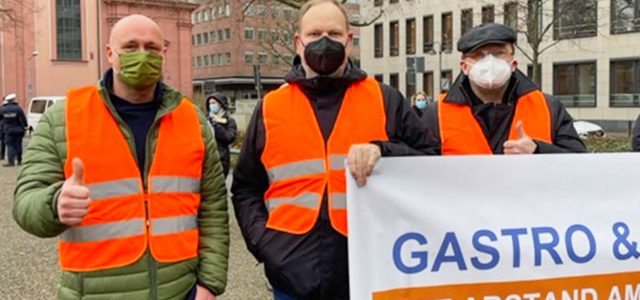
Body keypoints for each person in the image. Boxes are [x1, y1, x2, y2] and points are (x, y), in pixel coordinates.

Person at [13, 14, 229, 300]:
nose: (142, 55)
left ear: (164, 53)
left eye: (151, 48)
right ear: (109, 53)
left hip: (180, 291)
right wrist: (54, 204)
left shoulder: (192, 120)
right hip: (94, 293)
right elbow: (25, 202)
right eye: (130, 46)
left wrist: (209, 286)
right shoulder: (63, 118)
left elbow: (213, 209)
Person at [231, 0, 429, 299]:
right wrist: (264, 244)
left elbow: (430, 161)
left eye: (334, 34)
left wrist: (384, 151)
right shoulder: (271, 107)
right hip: (291, 275)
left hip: (370, 272)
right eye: (314, 34)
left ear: (350, 41)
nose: (324, 42)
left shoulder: (385, 99)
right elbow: (246, 188)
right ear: (298, 42)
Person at [421, 23, 586, 155]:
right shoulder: (436, 114)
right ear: (464, 66)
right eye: (479, 55)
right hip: (463, 197)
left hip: (529, 196)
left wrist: (539, 150)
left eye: (499, 53)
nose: (490, 61)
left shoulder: (548, 107)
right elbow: (419, 170)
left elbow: (579, 162)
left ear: (513, 63)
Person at [206, 92, 237, 177]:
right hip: (208, 160)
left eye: (213, 103)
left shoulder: (229, 121)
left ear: (221, 104)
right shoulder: (206, 120)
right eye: (210, 103)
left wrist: (217, 126)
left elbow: (229, 137)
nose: (211, 106)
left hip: (222, 159)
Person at [0, 93, 27, 166]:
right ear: (13, 100)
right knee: (18, 145)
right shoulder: (18, 108)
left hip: (8, 130)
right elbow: (23, 118)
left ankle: (11, 162)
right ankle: (19, 160)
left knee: (10, 145)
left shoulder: (2, 109)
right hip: (18, 130)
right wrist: (25, 126)